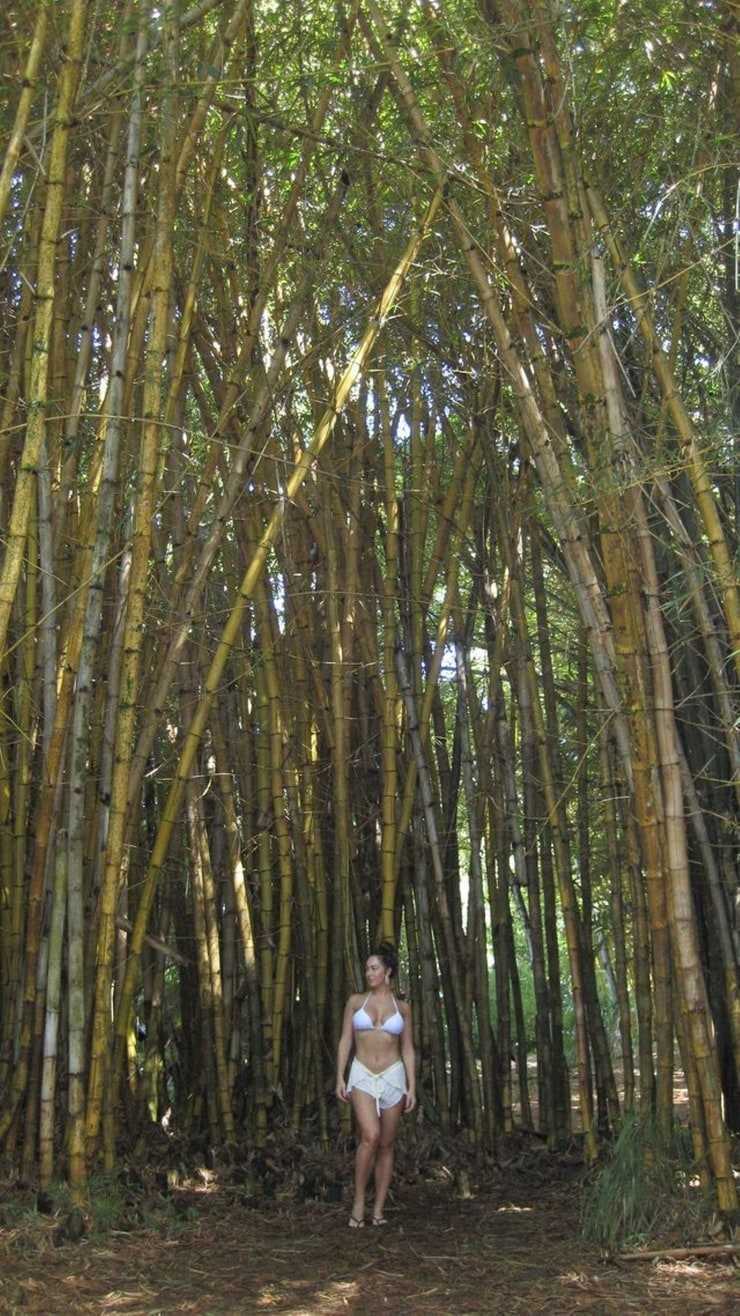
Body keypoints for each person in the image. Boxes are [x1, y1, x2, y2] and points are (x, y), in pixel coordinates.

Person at [335, 942, 416, 1227]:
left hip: (393, 1074)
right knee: (369, 1136)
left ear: (388, 971)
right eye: (367, 968)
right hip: (362, 1073)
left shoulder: (403, 1008)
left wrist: (412, 1087)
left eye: (374, 968)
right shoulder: (356, 1002)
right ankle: (359, 1200)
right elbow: (345, 1039)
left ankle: (379, 1208)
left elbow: (407, 1049)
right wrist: (340, 1076)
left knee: (386, 1143)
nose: (368, 973)